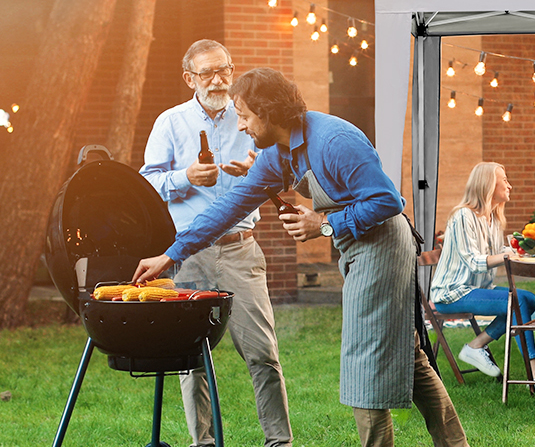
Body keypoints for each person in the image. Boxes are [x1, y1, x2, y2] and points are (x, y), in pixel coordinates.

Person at [134, 68, 467, 447]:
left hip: (385, 246)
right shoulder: (276, 154)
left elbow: (388, 201)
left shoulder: (333, 140)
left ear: (268, 112)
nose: (240, 125)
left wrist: (324, 224)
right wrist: (171, 255)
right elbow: (229, 207)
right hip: (356, 247)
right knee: (410, 358)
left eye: (244, 115)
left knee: (364, 360)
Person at [138, 40, 292, 447]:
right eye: (206, 72)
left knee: (262, 353)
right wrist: (186, 177)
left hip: (241, 248)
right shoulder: (170, 122)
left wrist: (257, 170)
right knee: (192, 360)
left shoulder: (251, 115)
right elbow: (146, 186)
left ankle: (280, 442)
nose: (218, 79)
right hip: (189, 254)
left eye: (224, 69)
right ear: (189, 78)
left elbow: (285, 172)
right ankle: (202, 443)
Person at [428, 162, 535, 391]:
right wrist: (507, 255)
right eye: (505, 181)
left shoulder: (493, 218)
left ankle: (476, 345)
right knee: (518, 302)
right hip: (452, 292)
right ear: (489, 186)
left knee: (527, 299)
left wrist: (524, 248)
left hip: (478, 288)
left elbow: (496, 253)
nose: (509, 185)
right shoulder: (464, 217)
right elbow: (474, 261)